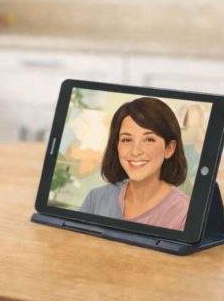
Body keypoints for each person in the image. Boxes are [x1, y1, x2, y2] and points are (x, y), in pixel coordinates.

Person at [79, 97, 190, 230]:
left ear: (169, 149)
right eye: (126, 140)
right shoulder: (96, 199)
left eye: (149, 139)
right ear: (117, 145)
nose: (135, 151)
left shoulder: (185, 213)